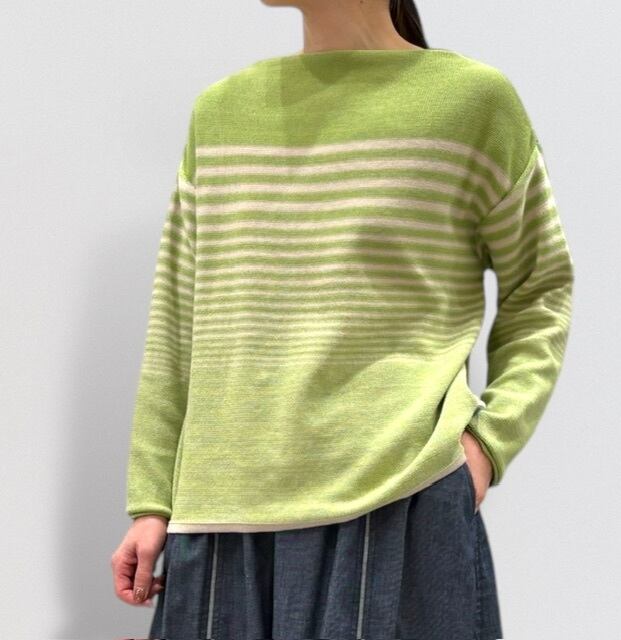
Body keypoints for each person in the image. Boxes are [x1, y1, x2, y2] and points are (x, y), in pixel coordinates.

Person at [110, 1, 575, 638]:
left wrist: (486, 447)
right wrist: (152, 502)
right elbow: (178, 321)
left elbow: (540, 287)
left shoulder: (472, 104)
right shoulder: (221, 114)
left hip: (398, 499)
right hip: (221, 521)